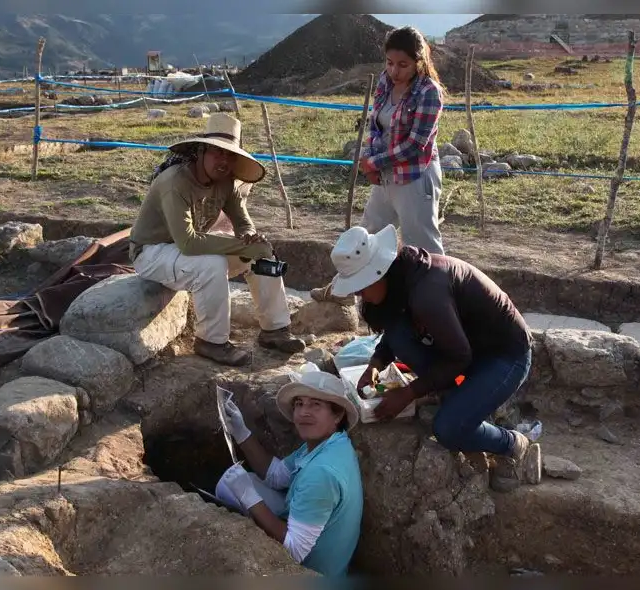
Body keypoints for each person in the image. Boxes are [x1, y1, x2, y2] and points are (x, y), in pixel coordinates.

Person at [328, 224, 541, 488]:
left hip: (505, 356)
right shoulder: (402, 278)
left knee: (448, 429)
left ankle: (513, 443)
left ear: (378, 273)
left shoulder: (427, 293)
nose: (359, 295)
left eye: (360, 287)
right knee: (401, 336)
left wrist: (408, 393)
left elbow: (459, 358)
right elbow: (395, 330)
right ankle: (462, 402)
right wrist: (376, 363)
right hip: (466, 349)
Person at [129, 113, 306, 366]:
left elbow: (242, 220)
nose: (223, 160)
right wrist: (242, 246)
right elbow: (188, 243)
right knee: (212, 264)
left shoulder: (227, 182)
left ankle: (275, 329)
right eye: (216, 152)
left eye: (229, 155)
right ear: (201, 151)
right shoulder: (175, 182)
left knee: (262, 254)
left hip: (188, 249)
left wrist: (249, 237)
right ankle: (211, 341)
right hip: (152, 253)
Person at [312, 25, 446, 305]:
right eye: (389, 63)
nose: (395, 71)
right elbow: (376, 126)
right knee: (367, 234)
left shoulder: (428, 93)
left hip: (414, 177)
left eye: (403, 65)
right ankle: (342, 291)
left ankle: (440, 301)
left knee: (422, 245)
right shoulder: (385, 82)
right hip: (385, 174)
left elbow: (415, 145)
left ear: (419, 62)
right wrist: (372, 159)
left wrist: (374, 162)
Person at [215, 370, 364, 577]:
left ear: (338, 415)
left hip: (313, 572)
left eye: (316, 405)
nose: (304, 412)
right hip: (327, 555)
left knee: (236, 492)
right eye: (299, 404)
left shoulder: (321, 473)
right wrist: (242, 433)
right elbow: (276, 475)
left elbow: (295, 551)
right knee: (238, 483)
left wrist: (250, 498)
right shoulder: (329, 442)